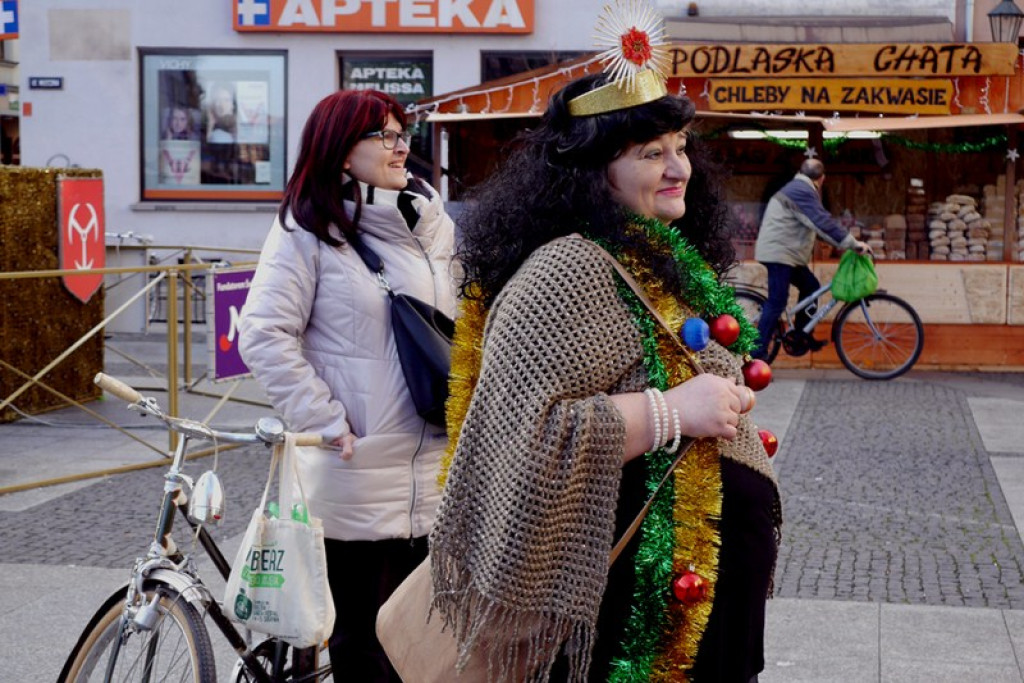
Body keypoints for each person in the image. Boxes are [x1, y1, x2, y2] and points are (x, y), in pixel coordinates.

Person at [427, 67, 781, 682]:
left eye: (680, 148)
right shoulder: (564, 270)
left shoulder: (651, 254)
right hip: (622, 620)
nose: (679, 169)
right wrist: (672, 412)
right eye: (652, 153)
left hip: (697, 604)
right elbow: (520, 437)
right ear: (596, 170)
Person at [238, 89, 457, 682]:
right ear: (340, 151)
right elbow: (262, 334)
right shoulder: (306, 229)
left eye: (401, 133)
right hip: (355, 478)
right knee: (368, 653)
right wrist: (327, 420)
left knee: (426, 649)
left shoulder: (434, 229)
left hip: (434, 479)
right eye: (382, 136)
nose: (399, 146)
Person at [753, 158, 871, 359]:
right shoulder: (802, 191)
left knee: (811, 287)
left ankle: (801, 335)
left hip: (786, 253)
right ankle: (756, 354)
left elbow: (816, 225)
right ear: (822, 179)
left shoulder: (798, 187)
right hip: (779, 254)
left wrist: (842, 243)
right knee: (777, 301)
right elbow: (822, 222)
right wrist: (853, 243)